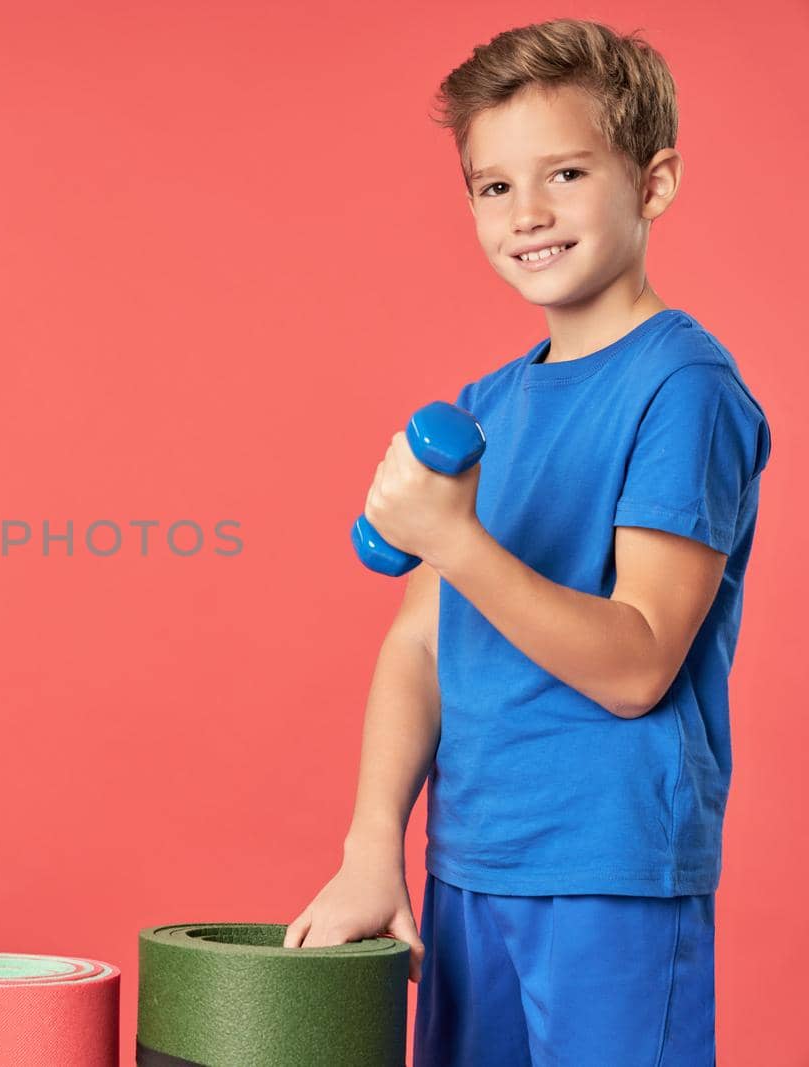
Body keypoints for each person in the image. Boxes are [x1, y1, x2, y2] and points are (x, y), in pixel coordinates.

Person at [281, 18, 771, 1066]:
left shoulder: (682, 390)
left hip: (609, 869)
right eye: (492, 186)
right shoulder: (485, 407)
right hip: (469, 861)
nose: (528, 214)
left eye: (563, 172)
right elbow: (417, 647)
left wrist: (451, 538)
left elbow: (638, 663)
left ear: (654, 182)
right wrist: (374, 848)